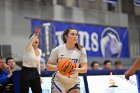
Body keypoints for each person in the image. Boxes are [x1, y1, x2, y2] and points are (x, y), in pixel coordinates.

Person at [46, 27, 87, 93]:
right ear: (66, 36)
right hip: (59, 81)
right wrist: (59, 67)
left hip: (73, 81)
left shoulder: (81, 50)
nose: (75, 36)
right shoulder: (57, 49)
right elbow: (48, 66)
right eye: (72, 34)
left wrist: (74, 69)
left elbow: (84, 69)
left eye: (76, 35)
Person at [20, 27, 42, 93]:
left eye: (37, 38)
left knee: (38, 91)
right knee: (24, 91)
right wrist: (35, 34)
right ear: (31, 40)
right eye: (35, 38)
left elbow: (38, 64)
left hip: (35, 72)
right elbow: (29, 41)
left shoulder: (40, 51)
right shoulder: (28, 48)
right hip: (26, 71)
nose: (36, 39)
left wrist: (39, 75)